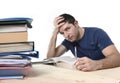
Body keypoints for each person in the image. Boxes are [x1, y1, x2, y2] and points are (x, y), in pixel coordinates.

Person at [47, 13, 120, 71]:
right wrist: (54, 34)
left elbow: (117, 58)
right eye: (62, 33)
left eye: (67, 29)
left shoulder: (97, 33)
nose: (66, 35)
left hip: (107, 74)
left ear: (76, 24)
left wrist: (96, 64)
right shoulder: (69, 40)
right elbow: (50, 57)